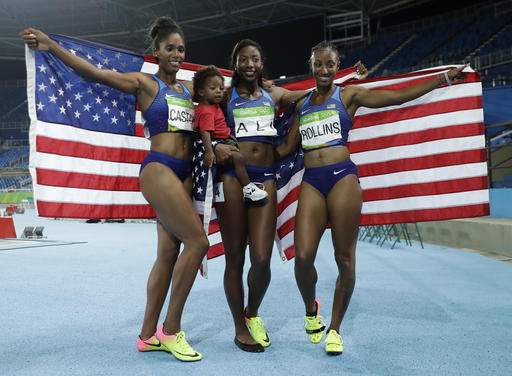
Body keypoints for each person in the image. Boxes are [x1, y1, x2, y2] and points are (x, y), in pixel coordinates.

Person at [21, 16, 236, 362]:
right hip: (159, 169)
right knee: (198, 242)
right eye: (170, 48)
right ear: (157, 52)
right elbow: (95, 73)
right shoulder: (145, 83)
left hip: (184, 175)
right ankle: (171, 330)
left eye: (181, 49)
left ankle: (147, 334)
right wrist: (52, 47)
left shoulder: (186, 91)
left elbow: (220, 95)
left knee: (168, 255)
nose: (177, 54)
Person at [276, 41, 466, 355]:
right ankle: (312, 309)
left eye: (329, 65)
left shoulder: (348, 95)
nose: (324, 70)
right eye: (318, 65)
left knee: (344, 258)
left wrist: (442, 79)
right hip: (312, 181)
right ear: (311, 67)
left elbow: (395, 96)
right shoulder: (302, 104)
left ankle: (335, 329)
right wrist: (245, 152)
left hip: (343, 179)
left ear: (337, 67)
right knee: (304, 257)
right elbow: (285, 149)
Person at [213, 38, 368, 352]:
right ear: (235, 63)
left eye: (255, 59)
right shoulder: (225, 95)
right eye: (243, 59)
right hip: (232, 178)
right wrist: (214, 145)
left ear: (261, 63)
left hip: (266, 176)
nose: (249, 65)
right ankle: (240, 327)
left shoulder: (274, 93)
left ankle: (252, 312)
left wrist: (351, 78)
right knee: (234, 258)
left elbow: (316, 96)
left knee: (260, 258)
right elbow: (199, 102)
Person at [192, 65, 268, 205]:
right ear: (201, 91)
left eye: (221, 88)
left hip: (226, 139)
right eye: (213, 88)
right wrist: (209, 151)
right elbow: (205, 132)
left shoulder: (213, 105)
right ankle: (248, 188)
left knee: (239, 157)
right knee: (238, 158)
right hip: (219, 141)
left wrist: (263, 83)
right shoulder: (206, 110)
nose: (219, 92)